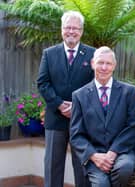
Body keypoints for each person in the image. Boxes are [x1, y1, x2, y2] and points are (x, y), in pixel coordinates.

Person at [37, 11, 95, 187]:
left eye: (75, 28)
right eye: (68, 27)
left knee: (82, 166)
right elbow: (43, 83)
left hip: (82, 120)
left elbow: (95, 85)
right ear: (62, 30)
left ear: (81, 31)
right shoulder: (49, 53)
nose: (71, 31)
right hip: (55, 119)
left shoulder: (92, 54)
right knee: (52, 167)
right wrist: (60, 105)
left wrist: (77, 107)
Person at [69, 46, 135, 187]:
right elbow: (76, 134)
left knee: (124, 168)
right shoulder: (79, 96)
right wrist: (94, 156)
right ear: (92, 63)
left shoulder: (130, 92)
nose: (104, 67)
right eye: (100, 62)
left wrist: (113, 152)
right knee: (101, 184)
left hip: (121, 152)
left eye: (108, 64)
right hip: (94, 154)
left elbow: (133, 126)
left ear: (114, 66)